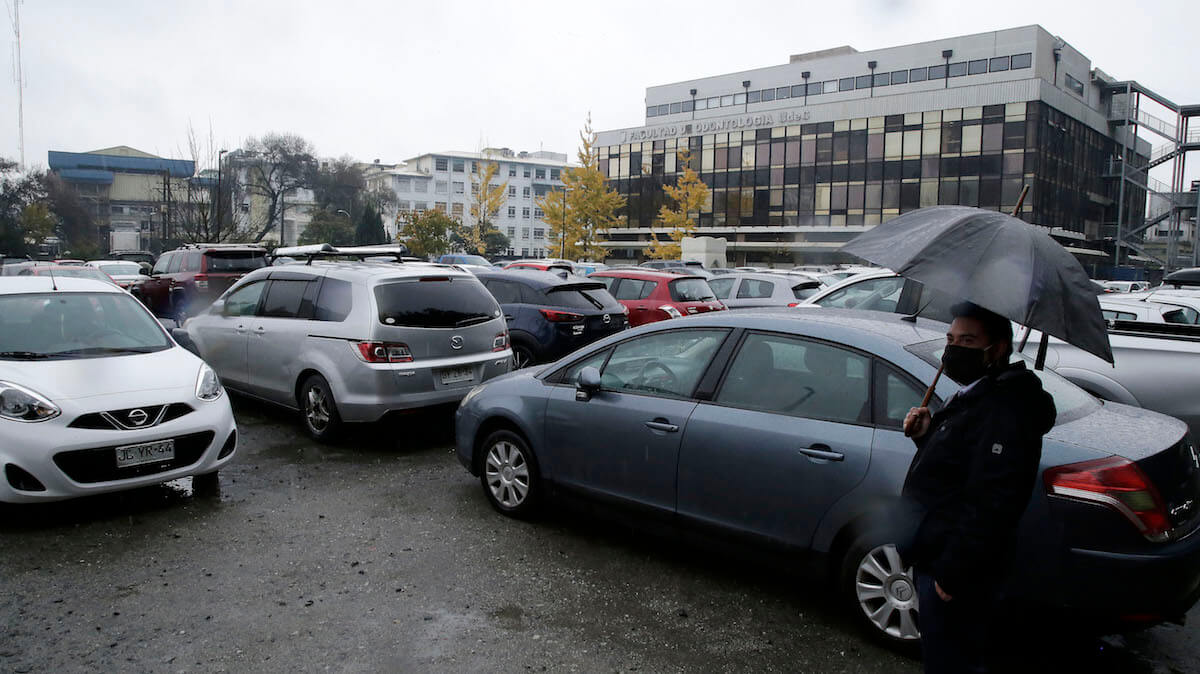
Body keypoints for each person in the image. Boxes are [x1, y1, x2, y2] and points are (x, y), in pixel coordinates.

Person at [900, 301, 1057, 673]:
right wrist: (928, 435)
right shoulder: (977, 393)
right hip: (941, 555)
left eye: (967, 341)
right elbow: (963, 467)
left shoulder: (1004, 409)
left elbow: (994, 500)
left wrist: (954, 571)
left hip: (957, 570)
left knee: (953, 661)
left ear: (998, 348)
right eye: (951, 339)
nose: (953, 349)